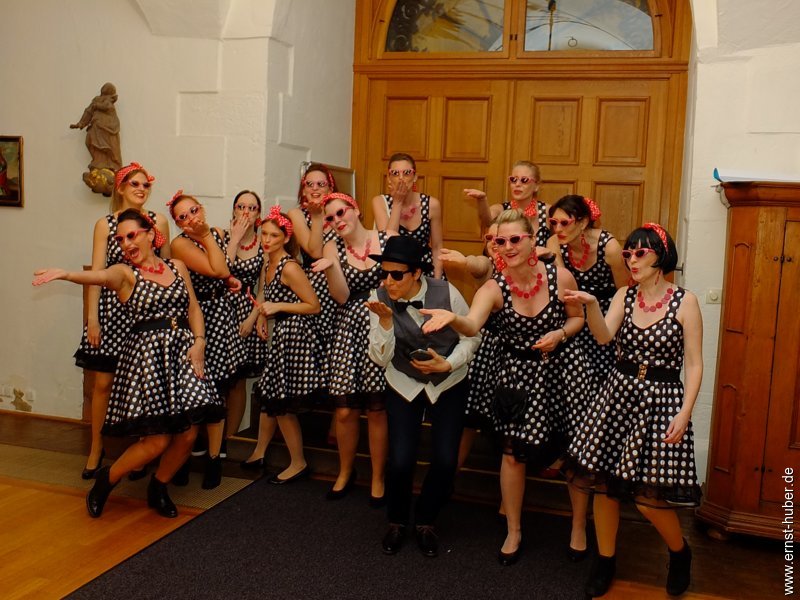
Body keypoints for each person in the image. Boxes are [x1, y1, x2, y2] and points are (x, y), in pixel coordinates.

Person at [422, 209, 588, 566]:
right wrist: (454, 318)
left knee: (572, 453)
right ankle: (514, 530)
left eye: (515, 239)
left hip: (563, 373)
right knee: (512, 455)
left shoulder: (561, 277)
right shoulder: (493, 288)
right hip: (516, 376)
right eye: (501, 241)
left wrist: (560, 333)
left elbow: (578, 318)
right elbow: (473, 324)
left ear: (532, 240)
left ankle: (578, 528)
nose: (508, 246)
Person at [33, 209, 221, 518]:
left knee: (188, 433)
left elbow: (193, 308)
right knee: (157, 440)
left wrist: (199, 341)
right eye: (120, 239)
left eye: (131, 235)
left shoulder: (177, 266)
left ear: (150, 234)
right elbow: (99, 276)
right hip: (149, 358)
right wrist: (66, 274)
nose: (126, 243)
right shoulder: (125, 273)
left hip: (185, 352)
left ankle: (158, 487)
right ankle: (106, 480)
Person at [564, 223, 702, 598]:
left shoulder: (685, 301)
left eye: (641, 252)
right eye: (628, 253)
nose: (632, 260)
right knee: (605, 485)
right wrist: (592, 305)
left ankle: (680, 552)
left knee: (649, 499)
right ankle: (605, 560)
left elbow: (694, 364)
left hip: (661, 401)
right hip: (618, 394)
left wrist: (685, 412)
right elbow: (603, 336)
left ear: (661, 256)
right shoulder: (623, 296)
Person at [366, 236, 480, 557]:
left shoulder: (448, 293)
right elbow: (380, 358)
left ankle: (427, 519)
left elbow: (472, 337)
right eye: (384, 273)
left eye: (396, 274)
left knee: (445, 460)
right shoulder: (378, 299)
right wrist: (385, 321)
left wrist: (449, 363)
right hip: (404, 382)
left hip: (448, 382)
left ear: (417, 273)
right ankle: (397, 520)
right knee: (401, 460)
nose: (388, 281)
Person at [542, 194, 629, 559]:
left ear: (582, 222)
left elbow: (626, 291)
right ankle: (569, 452)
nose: (557, 229)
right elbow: (563, 291)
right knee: (571, 401)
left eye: (564, 223)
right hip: (576, 327)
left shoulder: (610, 248)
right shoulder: (555, 244)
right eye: (553, 223)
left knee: (602, 410)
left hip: (606, 326)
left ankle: (599, 463)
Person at [73, 162, 171, 480]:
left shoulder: (158, 222)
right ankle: (96, 447)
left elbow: (168, 269)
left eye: (145, 184)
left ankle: (141, 451)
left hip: (146, 313)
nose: (141, 189)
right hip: (113, 313)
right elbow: (97, 274)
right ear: (121, 188)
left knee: (143, 385)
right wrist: (92, 319)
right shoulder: (105, 224)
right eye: (134, 184)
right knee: (103, 383)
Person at [312, 192, 389, 503]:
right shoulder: (332, 247)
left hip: (382, 326)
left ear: (355, 209)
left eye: (341, 212)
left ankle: (378, 477)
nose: (337, 220)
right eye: (330, 218)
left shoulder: (385, 239)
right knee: (344, 410)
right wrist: (331, 267)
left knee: (377, 409)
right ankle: (345, 471)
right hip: (349, 329)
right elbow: (341, 297)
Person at [169, 191, 246, 489]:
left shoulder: (216, 233)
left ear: (201, 209)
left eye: (193, 211)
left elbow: (225, 273)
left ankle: (214, 458)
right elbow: (219, 268)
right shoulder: (180, 244)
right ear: (178, 223)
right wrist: (206, 238)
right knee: (195, 389)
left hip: (222, 314)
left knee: (220, 391)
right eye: (182, 217)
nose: (191, 218)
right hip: (198, 317)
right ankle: (184, 458)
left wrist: (229, 280)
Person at [249, 207, 323, 482]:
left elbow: (313, 305)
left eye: (274, 236)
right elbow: (263, 293)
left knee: (281, 402)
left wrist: (278, 306)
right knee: (270, 395)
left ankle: (298, 463)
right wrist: (260, 316)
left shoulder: (289, 267)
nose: (267, 240)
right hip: (282, 333)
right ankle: (259, 452)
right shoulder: (267, 263)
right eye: (264, 234)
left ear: (286, 238)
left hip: (297, 336)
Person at [285, 163, 339, 450]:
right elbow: (314, 250)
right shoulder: (297, 214)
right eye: (310, 184)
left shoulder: (341, 211)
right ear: (303, 189)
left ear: (331, 187)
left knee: (336, 354)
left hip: (338, 287)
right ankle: (299, 416)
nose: (316, 189)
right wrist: (317, 217)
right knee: (308, 353)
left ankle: (335, 421)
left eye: (321, 184)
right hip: (312, 291)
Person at [224, 190, 268, 451]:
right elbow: (220, 271)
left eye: (252, 208)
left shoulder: (264, 244)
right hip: (221, 311)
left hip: (247, 312)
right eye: (241, 206)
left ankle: (229, 440)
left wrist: (254, 317)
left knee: (238, 380)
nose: (246, 212)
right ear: (233, 210)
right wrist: (235, 239)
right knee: (218, 377)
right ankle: (212, 438)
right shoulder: (221, 237)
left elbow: (264, 287)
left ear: (258, 214)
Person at [372, 153, 444, 278]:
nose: (401, 178)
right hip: (395, 273)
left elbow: (437, 247)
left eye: (407, 173)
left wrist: (437, 281)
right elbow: (389, 242)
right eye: (395, 173)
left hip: (425, 269)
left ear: (415, 177)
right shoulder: (380, 202)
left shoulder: (432, 204)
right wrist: (397, 202)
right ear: (389, 178)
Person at [464, 160, 551, 247]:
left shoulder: (547, 211)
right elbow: (487, 221)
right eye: (513, 179)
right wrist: (482, 199)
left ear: (536, 186)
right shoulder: (501, 209)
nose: (517, 184)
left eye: (524, 180)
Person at [70, 82, 122, 172]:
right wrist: (81, 123)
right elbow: (88, 111)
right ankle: (98, 161)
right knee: (89, 141)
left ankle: (109, 164)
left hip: (108, 128)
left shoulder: (109, 100)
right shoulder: (96, 100)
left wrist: (96, 106)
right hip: (96, 127)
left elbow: (106, 107)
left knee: (106, 146)